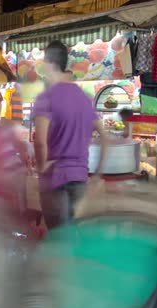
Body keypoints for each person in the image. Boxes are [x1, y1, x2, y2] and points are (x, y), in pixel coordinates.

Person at [32, 40, 108, 230]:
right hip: (80, 179)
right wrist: (98, 174)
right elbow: (105, 137)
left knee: (59, 240)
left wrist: (41, 166)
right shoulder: (84, 98)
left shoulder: (45, 98)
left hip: (55, 178)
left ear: (50, 64)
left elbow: (40, 142)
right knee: (76, 238)